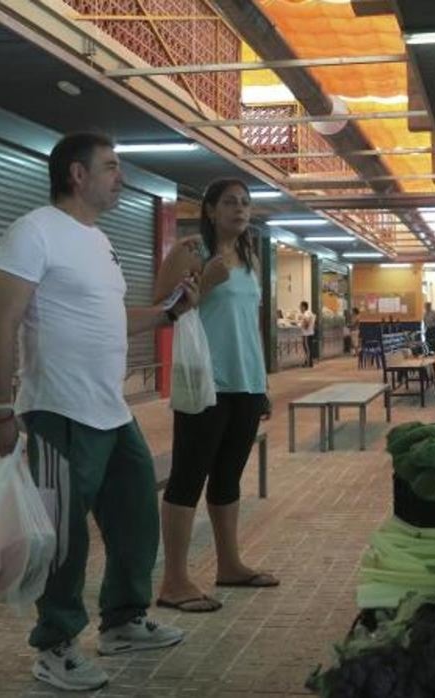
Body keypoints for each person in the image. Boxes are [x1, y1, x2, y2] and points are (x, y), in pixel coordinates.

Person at [0, 132, 188, 692]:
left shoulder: (99, 241)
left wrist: (171, 312)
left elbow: (113, 317)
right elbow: (2, 323)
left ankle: (122, 620)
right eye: (112, 168)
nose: (120, 177)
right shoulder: (32, 232)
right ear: (78, 174)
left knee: (135, 519)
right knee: (64, 537)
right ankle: (55, 645)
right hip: (57, 411)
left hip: (110, 410)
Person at [154, 178, 278, 622]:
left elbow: (250, 324)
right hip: (204, 381)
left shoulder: (249, 256)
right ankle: (174, 581)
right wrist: (203, 281)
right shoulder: (190, 250)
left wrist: (262, 383)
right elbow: (159, 309)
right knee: (188, 477)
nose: (240, 209)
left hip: (245, 382)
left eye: (245, 203)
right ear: (209, 209)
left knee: (227, 477)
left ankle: (230, 565)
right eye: (229, 202)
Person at [299, 300, 316, 367]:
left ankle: (308, 363)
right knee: (309, 348)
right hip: (310, 333)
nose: (300, 308)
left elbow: (307, 321)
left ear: (303, 307)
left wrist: (304, 326)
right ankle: (309, 362)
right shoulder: (310, 313)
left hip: (306, 334)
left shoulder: (306, 313)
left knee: (307, 348)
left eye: (300, 306)